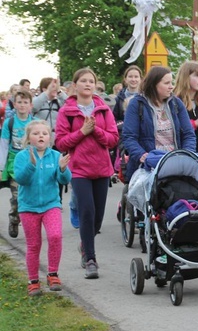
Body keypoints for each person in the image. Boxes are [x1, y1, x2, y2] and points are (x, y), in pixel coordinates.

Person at [56, 68, 119, 280]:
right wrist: (82, 132)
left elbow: (113, 139)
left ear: (95, 84)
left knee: (98, 219)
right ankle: (91, 260)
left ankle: (85, 244)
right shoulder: (67, 111)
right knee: (86, 212)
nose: (87, 84)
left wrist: (95, 131)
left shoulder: (103, 109)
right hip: (80, 169)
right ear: (75, 85)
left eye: (91, 81)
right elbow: (61, 142)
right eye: (83, 81)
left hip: (101, 168)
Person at [12, 121, 71, 296]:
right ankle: (33, 281)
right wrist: (30, 165)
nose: (40, 136)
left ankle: (52, 274)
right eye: (36, 133)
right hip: (28, 207)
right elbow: (21, 180)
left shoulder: (55, 156)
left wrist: (62, 168)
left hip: (50, 204)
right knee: (34, 245)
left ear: (49, 138)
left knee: (55, 236)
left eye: (44, 133)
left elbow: (64, 180)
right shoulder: (22, 157)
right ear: (28, 138)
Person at [121, 66, 196, 183]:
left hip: (175, 166)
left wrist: (186, 155)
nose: (171, 86)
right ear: (154, 84)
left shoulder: (176, 104)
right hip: (147, 168)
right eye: (167, 83)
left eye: (171, 82)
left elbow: (189, 134)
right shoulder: (136, 104)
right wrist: (142, 155)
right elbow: (129, 136)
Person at [0, 89, 38, 238]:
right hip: (15, 165)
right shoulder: (10, 123)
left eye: (25, 102)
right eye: (19, 102)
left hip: (32, 164)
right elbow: (3, 145)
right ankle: (14, 218)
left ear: (30, 105)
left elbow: (41, 144)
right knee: (17, 197)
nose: (22, 105)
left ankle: (32, 225)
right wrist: (1, 167)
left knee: (31, 197)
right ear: (14, 104)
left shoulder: (34, 123)